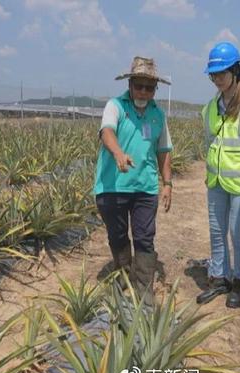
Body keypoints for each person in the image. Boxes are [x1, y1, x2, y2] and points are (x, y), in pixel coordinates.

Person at [94, 56, 173, 302]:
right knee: (117, 236)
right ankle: (123, 275)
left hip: (145, 188)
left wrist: (167, 183)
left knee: (144, 238)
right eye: (139, 85)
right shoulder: (115, 106)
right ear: (130, 84)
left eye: (149, 88)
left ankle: (144, 291)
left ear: (154, 90)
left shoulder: (158, 115)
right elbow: (106, 131)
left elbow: (164, 151)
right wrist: (118, 153)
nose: (143, 91)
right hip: (113, 186)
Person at [196, 42, 240, 308]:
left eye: (222, 73)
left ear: (236, 71)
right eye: (213, 75)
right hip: (216, 180)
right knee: (216, 231)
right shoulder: (211, 107)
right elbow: (210, 142)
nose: (217, 80)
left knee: (238, 233)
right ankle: (219, 277)